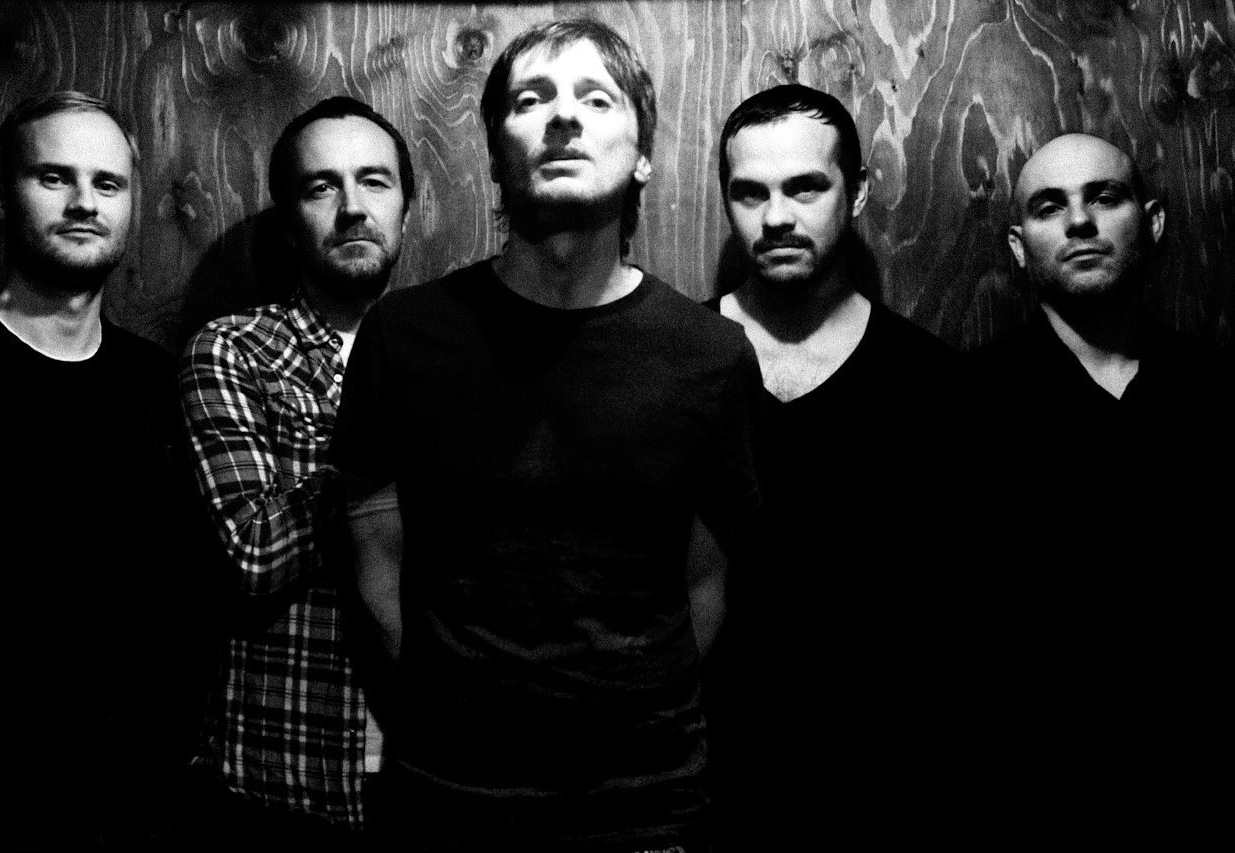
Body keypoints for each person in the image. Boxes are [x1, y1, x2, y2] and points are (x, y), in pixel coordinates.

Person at [330, 19, 761, 852]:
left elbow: (706, 583)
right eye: (532, 100)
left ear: (643, 154)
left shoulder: (709, 353)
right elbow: (377, 562)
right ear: (496, 153)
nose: (563, 117)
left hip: (645, 806)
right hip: (446, 799)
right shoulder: (404, 337)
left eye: (596, 99)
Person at [703, 84, 967, 846]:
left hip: (884, 796)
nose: (776, 217)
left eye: (805, 187)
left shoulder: (932, 382)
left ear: (858, 193)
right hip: (706, 789)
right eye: (750, 193)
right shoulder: (675, 363)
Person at [968, 132, 1231, 841]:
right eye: (1050, 207)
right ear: (1019, 247)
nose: (1079, 221)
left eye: (1104, 197)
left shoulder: (1220, 395)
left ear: (1154, 221)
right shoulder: (959, 412)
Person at [0, 91, 191, 850]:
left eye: (108, 182)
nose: (85, 202)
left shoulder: (156, 383)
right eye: (54, 177)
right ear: (0, 196)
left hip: (132, 810)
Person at [179, 96, 413, 849]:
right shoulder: (236, 350)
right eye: (322, 187)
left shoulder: (451, 353)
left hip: (435, 764)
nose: (353, 208)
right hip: (283, 772)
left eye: (374, 181)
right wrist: (396, 441)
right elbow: (252, 555)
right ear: (289, 222)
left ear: (405, 208)